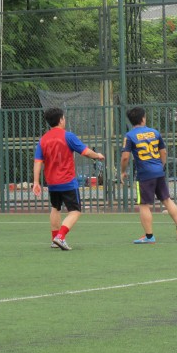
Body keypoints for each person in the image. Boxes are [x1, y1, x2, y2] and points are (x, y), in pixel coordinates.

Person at [32, 107, 105, 251]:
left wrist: (36, 182)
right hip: (67, 181)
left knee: (55, 208)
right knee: (75, 211)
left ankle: (54, 239)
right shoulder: (68, 136)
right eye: (64, 118)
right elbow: (85, 151)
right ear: (61, 120)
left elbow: (38, 162)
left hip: (52, 182)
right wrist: (98, 155)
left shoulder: (43, 140)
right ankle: (60, 236)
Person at [121, 106, 177, 244]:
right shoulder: (154, 132)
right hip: (158, 172)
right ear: (143, 118)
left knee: (144, 205)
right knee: (167, 200)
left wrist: (122, 171)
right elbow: (164, 152)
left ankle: (149, 237)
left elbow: (125, 157)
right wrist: (160, 166)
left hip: (144, 175)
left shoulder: (130, 136)